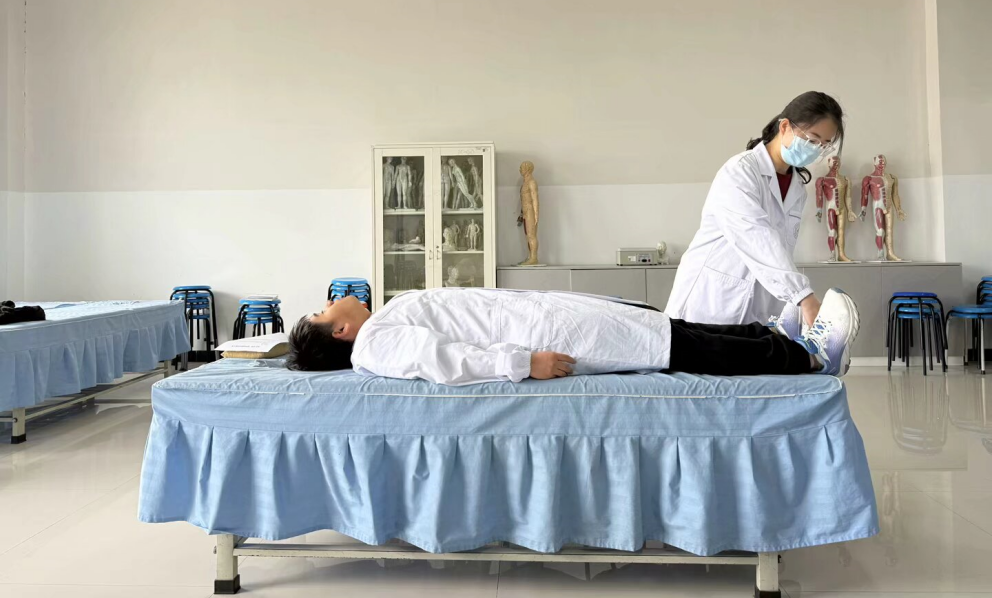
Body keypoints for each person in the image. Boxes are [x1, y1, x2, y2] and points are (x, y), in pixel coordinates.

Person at [286, 287, 859, 384]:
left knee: (667, 327)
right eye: (321, 310)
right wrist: (521, 364)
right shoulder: (374, 344)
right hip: (543, 337)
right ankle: (808, 358)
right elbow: (443, 360)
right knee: (677, 346)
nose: (329, 299)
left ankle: (773, 337)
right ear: (340, 331)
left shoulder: (383, 319)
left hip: (549, 315)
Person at [666, 91, 845, 332]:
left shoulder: (797, 189)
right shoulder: (740, 171)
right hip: (710, 301)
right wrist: (803, 296)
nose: (816, 150)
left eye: (824, 145)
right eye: (812, 140)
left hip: (757, 309)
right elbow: (755, 236)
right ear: (785, 127)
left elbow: (781, 251)